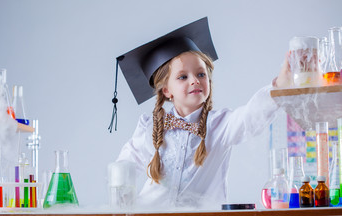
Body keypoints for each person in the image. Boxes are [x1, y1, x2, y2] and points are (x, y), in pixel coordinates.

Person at [111, 17, 291, 209]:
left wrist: (280, 85)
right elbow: (125, 164)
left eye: (201, 74)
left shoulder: (220, 126)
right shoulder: (150, 128)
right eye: (183, 77)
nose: (195, 81)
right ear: (166, 91)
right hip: (152, 214)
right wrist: (122, 199)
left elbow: (249, 118)